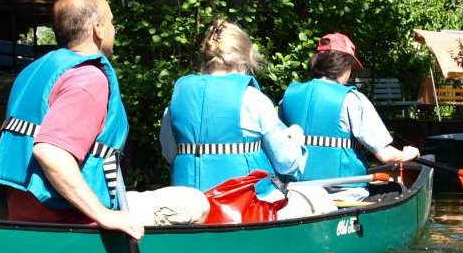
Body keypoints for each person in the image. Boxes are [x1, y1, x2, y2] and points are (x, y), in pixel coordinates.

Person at [0, 0, 145, 239]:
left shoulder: (34, 71)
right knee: (193, 203)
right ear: (98, 28)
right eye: (112, 22)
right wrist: (104, 214)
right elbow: (51, 152)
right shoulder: (88, 78)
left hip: (27, 220)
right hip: (69, 220)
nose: (115, 29)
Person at [161, 19, 307, 190]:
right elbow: (285, 162)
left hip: (189, 204)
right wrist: (296, 140)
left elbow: (169, 153)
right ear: (243, 63)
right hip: (246, 206)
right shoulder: (253, 99)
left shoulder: (178, 100)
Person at [279, 32, 420, 184]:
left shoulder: (288, 96)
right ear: (345, 66)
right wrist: (408, 154)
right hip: (343, 191)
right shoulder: (352, 99)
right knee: (395, 190)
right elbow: (385, 155)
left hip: (294, 188)